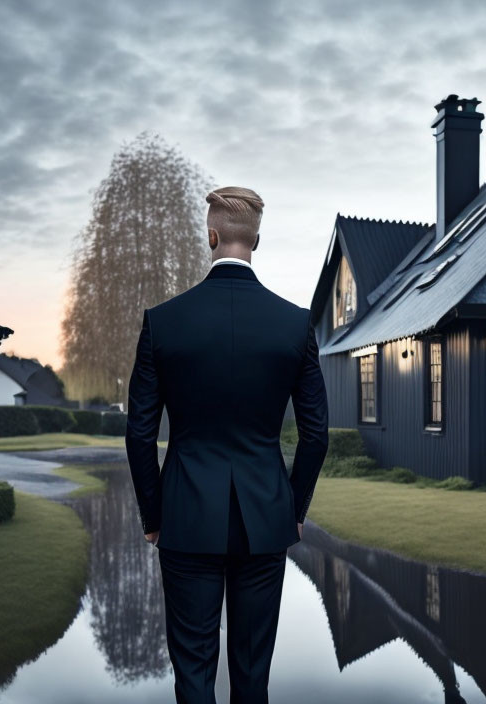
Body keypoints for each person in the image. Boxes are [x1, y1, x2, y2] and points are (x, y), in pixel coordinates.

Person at [125, 185, 329, 704]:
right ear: (255, 241)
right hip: (264, 517)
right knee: (252, 674)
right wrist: (294, 508)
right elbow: (316, 432)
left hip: (185, 515)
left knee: (193, 672)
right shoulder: (294, 323)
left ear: (211, 236)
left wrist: (154, 514)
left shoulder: (164, 321)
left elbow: (140, 433)